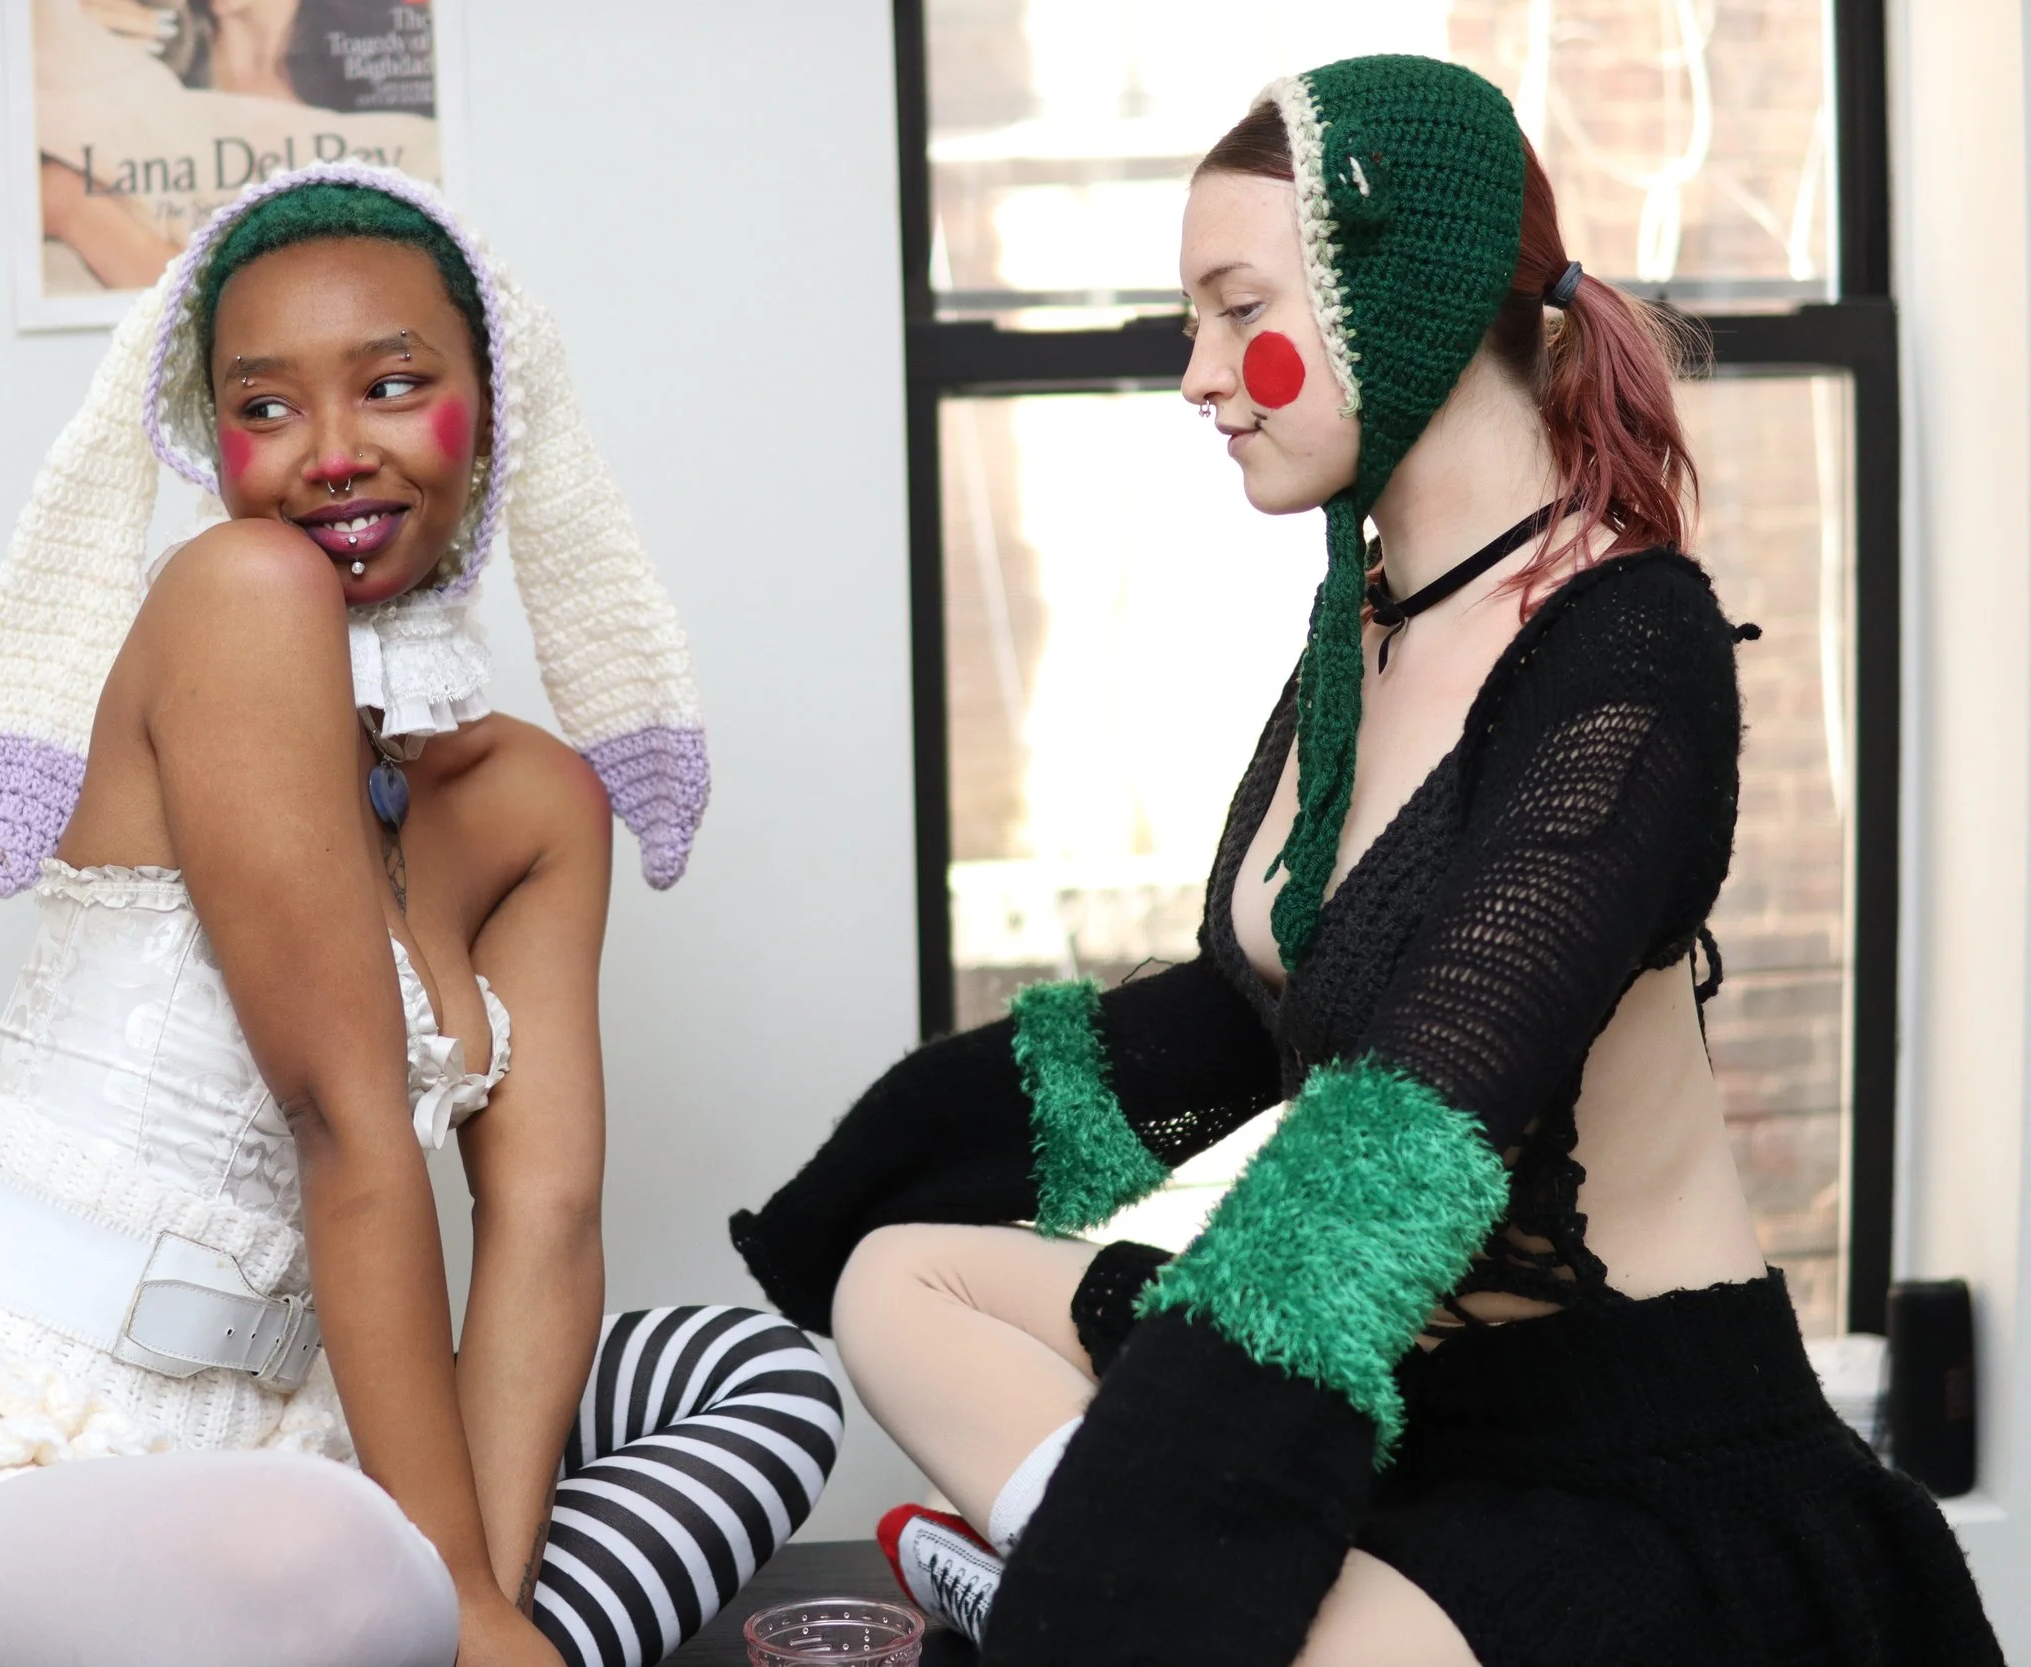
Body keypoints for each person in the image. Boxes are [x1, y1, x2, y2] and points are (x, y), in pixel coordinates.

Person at [731, 55, 1998, 1667]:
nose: (1196, 372)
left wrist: (1163, 1516)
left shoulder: (1629, 647)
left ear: (1398, 297)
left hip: (1624, 1442)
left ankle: (1131, 1588)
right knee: (901, 1285)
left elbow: (1430, 1097)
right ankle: (1119, 1583)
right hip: (1411, 1388)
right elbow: (1259, 996)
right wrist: (899, 1155)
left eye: (1229, 305)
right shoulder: (1370, 626)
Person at [0, 161, 827, 1667]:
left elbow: (544, 1221)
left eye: (396, 385)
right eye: (264, 409)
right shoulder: (242, 597)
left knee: (749, 1373)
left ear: (493, 409)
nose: (331, 454)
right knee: (341, 1563)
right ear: (215, 444)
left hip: (278, 1453)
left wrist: (481, 1604)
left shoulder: (537, 806)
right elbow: (344, 1117)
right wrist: (448, 1601)